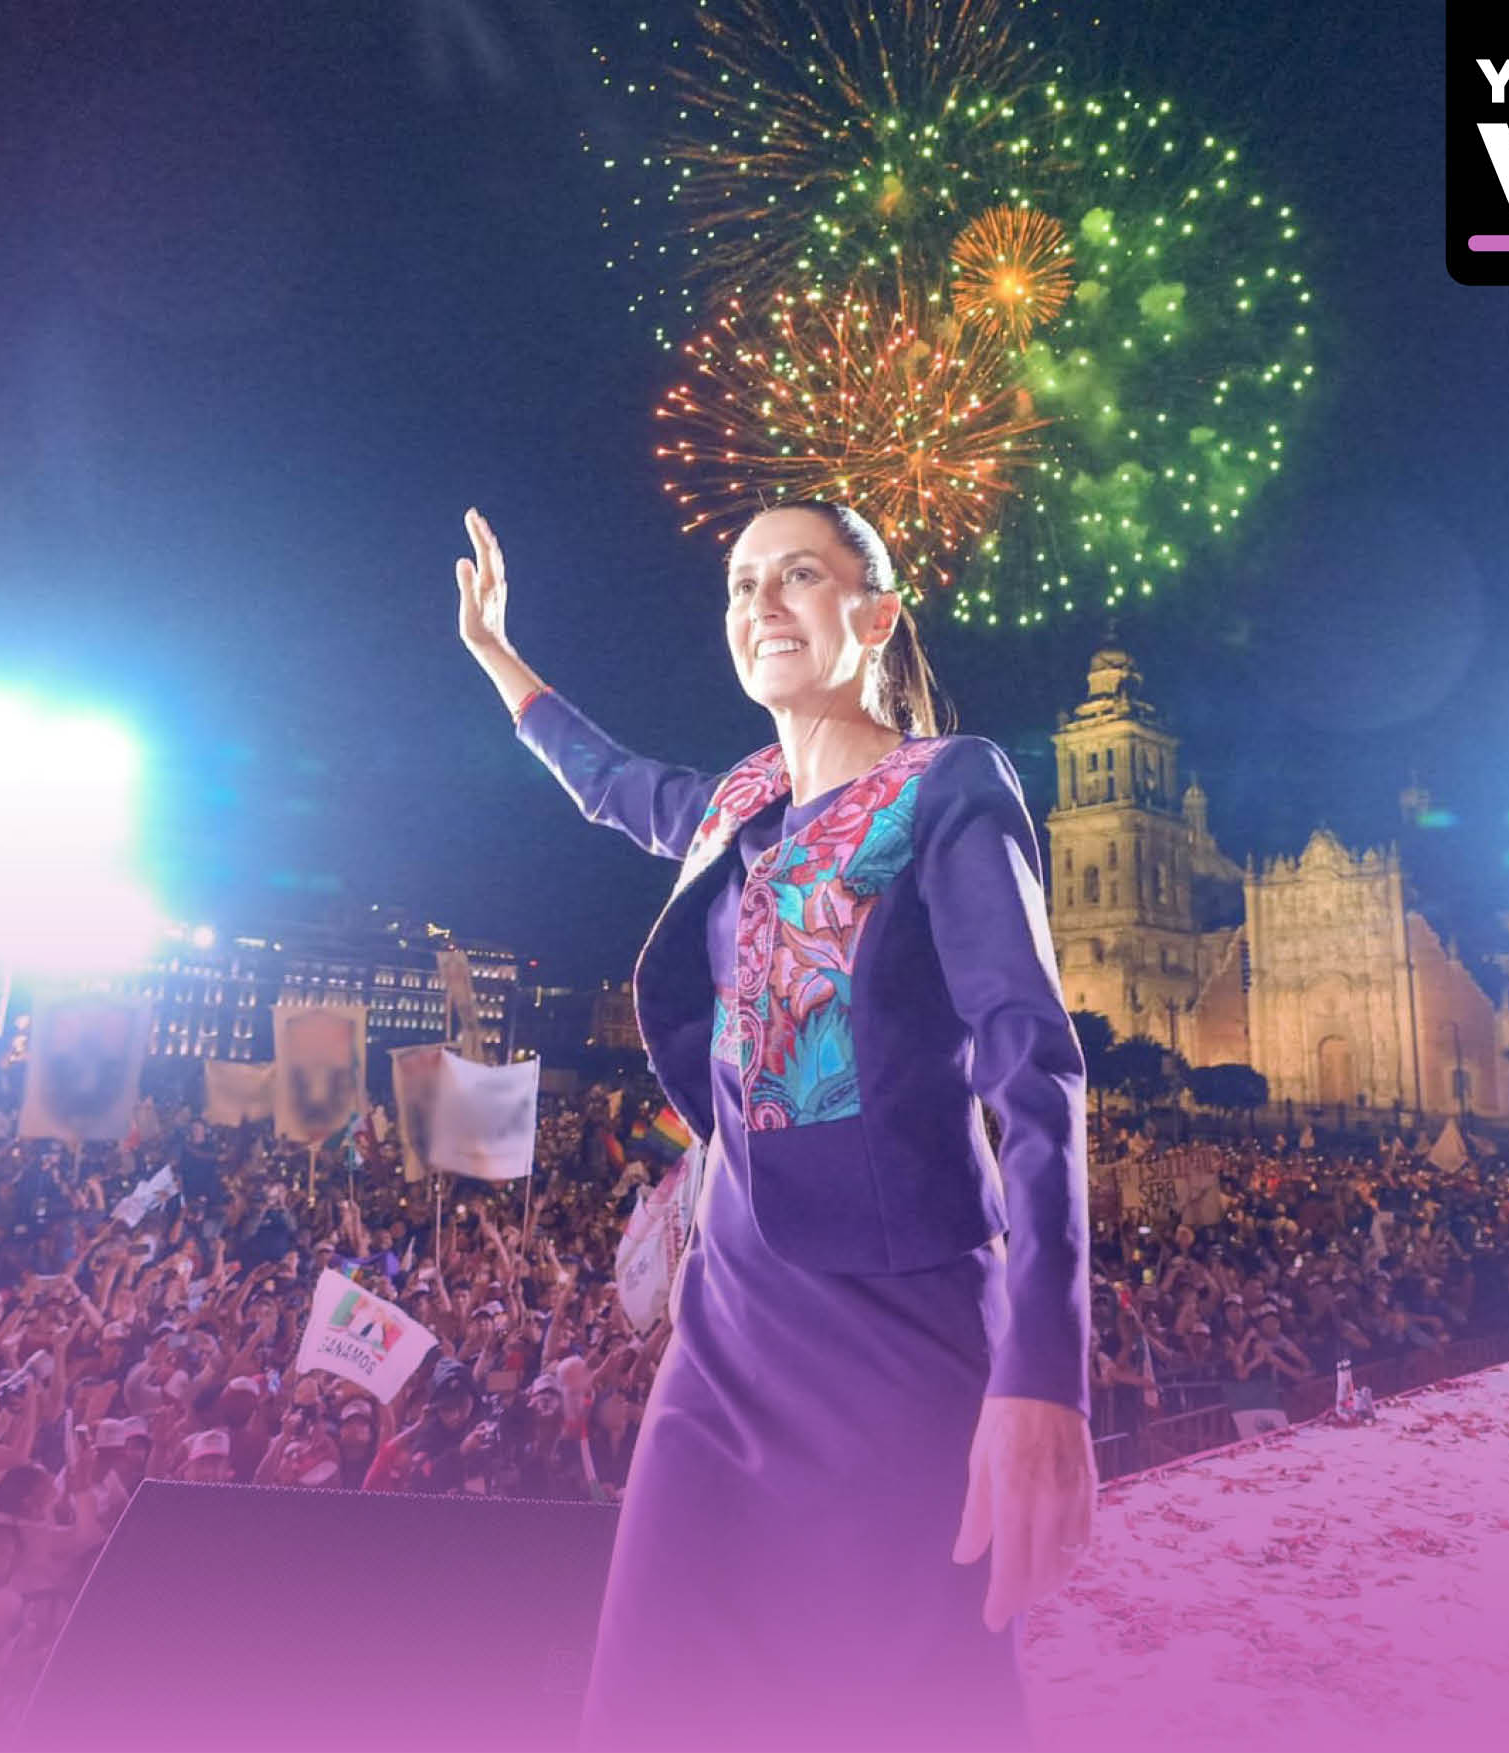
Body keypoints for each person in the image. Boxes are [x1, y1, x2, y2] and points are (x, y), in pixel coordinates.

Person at [461, 501, 1093, 1751]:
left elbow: (1032, 1069)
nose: (760, 601)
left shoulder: (947, 786)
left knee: (906, 1699)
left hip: (898, 1334)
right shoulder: (731, 807)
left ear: (874, 617)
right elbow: (606, 783)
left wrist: (1043, 1369)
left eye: (798, 575)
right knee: (652, 1689)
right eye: (742, 582)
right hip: (725, 1332)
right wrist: (498, 655)